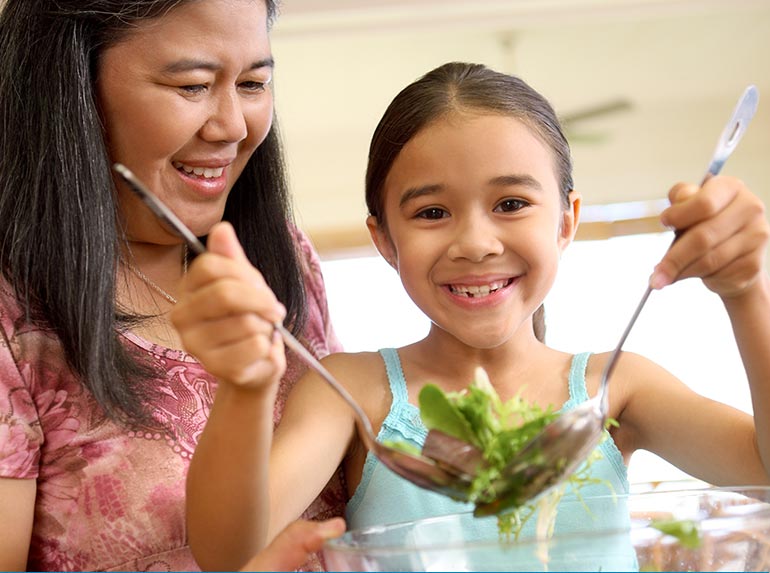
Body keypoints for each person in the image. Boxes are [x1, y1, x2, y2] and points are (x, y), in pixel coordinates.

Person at [178, 61, 770, 569]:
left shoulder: (619, 388)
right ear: (384, 240)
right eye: (432, 212)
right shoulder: (351, 392)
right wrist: (246, 386)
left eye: (511, 203)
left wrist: (745, 293)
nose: (476, 243)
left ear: (566, 221)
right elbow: (230, 552)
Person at [0, 0, 347, 571]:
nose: (233, 126)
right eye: (192, 85)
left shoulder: (287, 258)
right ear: (70, 87)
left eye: (254, 82)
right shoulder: (15, 316)